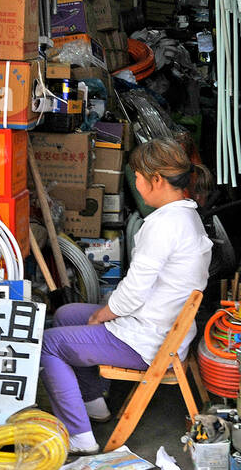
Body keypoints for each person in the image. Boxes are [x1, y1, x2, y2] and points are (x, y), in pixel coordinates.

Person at [39, 135, 213, 453]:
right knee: (65, 315)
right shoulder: (186, 216)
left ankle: (80, 436)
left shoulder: (162, 226)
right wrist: (103, 313)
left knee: (50, 345)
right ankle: (93, 405)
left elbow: (132, 295)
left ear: (156, 180)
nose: (135, 182)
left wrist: (104, 313)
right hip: (166, 327)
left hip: (148, 340)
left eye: (137, 176)